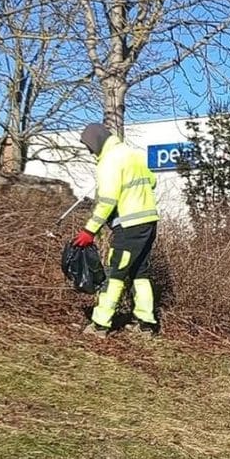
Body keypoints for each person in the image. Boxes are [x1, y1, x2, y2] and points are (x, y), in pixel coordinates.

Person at [70, 123, 160, 338]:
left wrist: (89, 230)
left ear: (96, 143)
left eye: (89, 147)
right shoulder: (132, 155)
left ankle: (100, 325)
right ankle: (146, 324)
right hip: (148, 221)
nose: (90, 151)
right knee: (140, 273)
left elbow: (108, 201)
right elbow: (153, 181)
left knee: (115, 273)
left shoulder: (109, 161)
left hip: (128, 225)